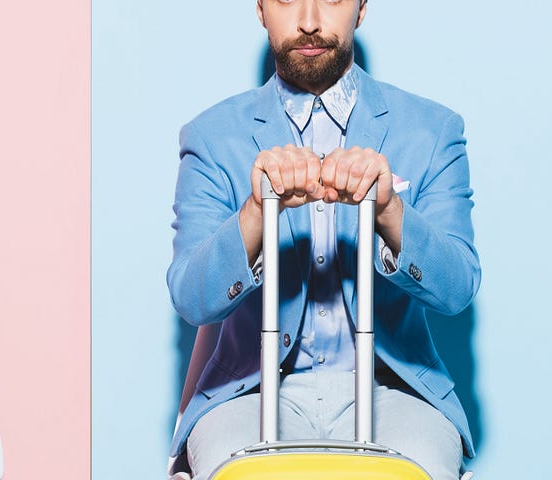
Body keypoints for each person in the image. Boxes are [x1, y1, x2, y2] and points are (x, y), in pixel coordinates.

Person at [166, 1, 480, 478]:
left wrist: (391, 212)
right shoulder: (211, 136)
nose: (309, 21)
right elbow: (191, 298)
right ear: (260, 8)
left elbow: (457, 288)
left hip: (393, 391)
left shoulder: (433, 129)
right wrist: (255, 213)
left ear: (361, 7)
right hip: (250, 393)